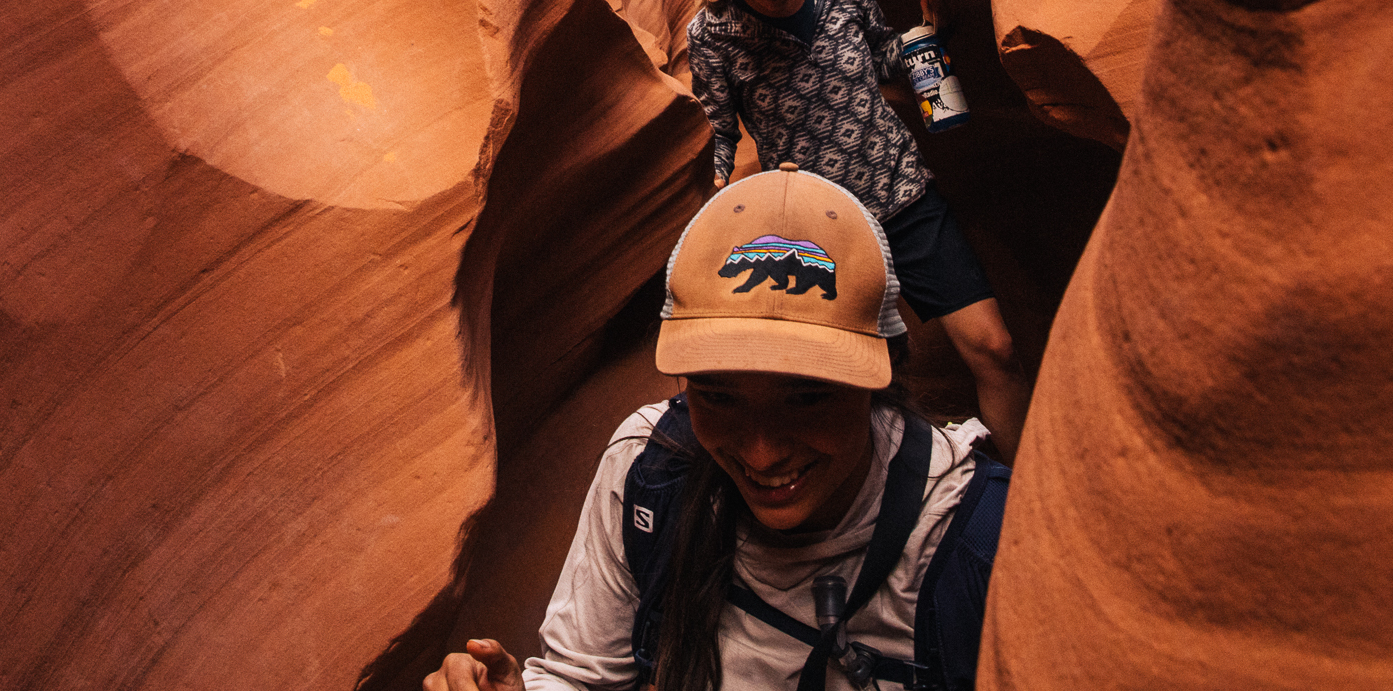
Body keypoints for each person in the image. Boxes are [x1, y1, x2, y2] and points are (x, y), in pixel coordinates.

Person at [425, 165, 1009, 691]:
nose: (761, 452)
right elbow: (583, 677)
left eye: (805, 399)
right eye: (718, 397)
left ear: (878, 385)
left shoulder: (981, 546)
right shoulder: (650, 469)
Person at [683, 0, 1033, 458]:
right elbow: (721, 132)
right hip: (822, 228)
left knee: (996, 350)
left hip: (902, 192)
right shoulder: (712, 36)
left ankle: (1014, 502)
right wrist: (719, 194)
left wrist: (928, 35)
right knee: (868, 388)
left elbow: (879, 55)